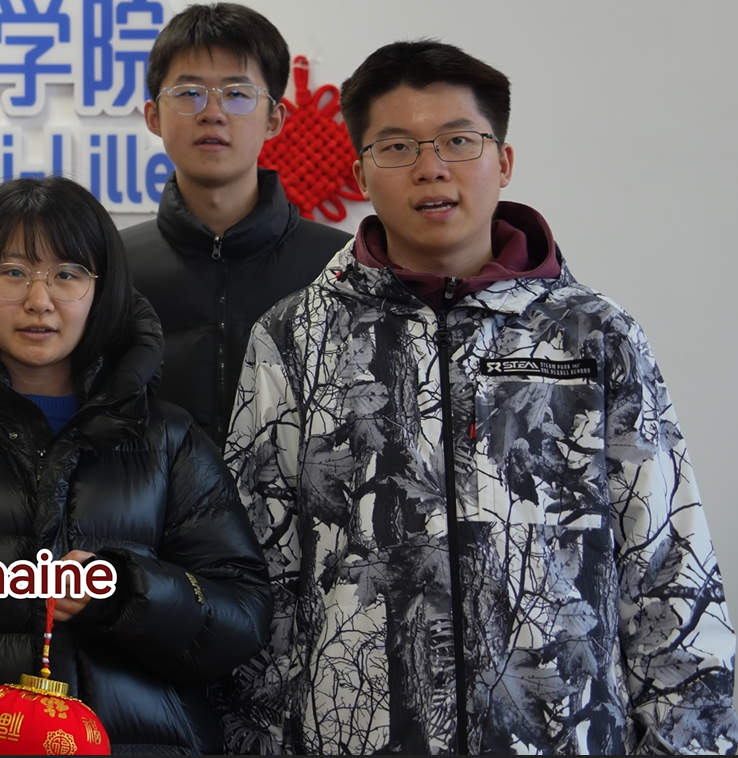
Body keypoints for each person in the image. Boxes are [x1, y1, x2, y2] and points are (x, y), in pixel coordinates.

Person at [224, 40, 738, 754]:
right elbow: (258, 574)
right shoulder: (292, 337)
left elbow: (666, 561)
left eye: (458, 141)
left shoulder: (595, 336)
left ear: (503, 161)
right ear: (361, 173)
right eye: (397, 146)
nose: (431, 167)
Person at [0, 177, 271, 755]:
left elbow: (242, 619)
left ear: (102, 291)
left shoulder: (170, 439)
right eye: (13, 272)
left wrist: (125, 592)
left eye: (68, 274)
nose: (40, 300)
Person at [121, 2, 348, 443]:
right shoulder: (111, 266)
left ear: (274, 119)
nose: (213, 112)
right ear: (154, 116)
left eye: (238, 94)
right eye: (189, 93)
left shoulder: (341, 266)